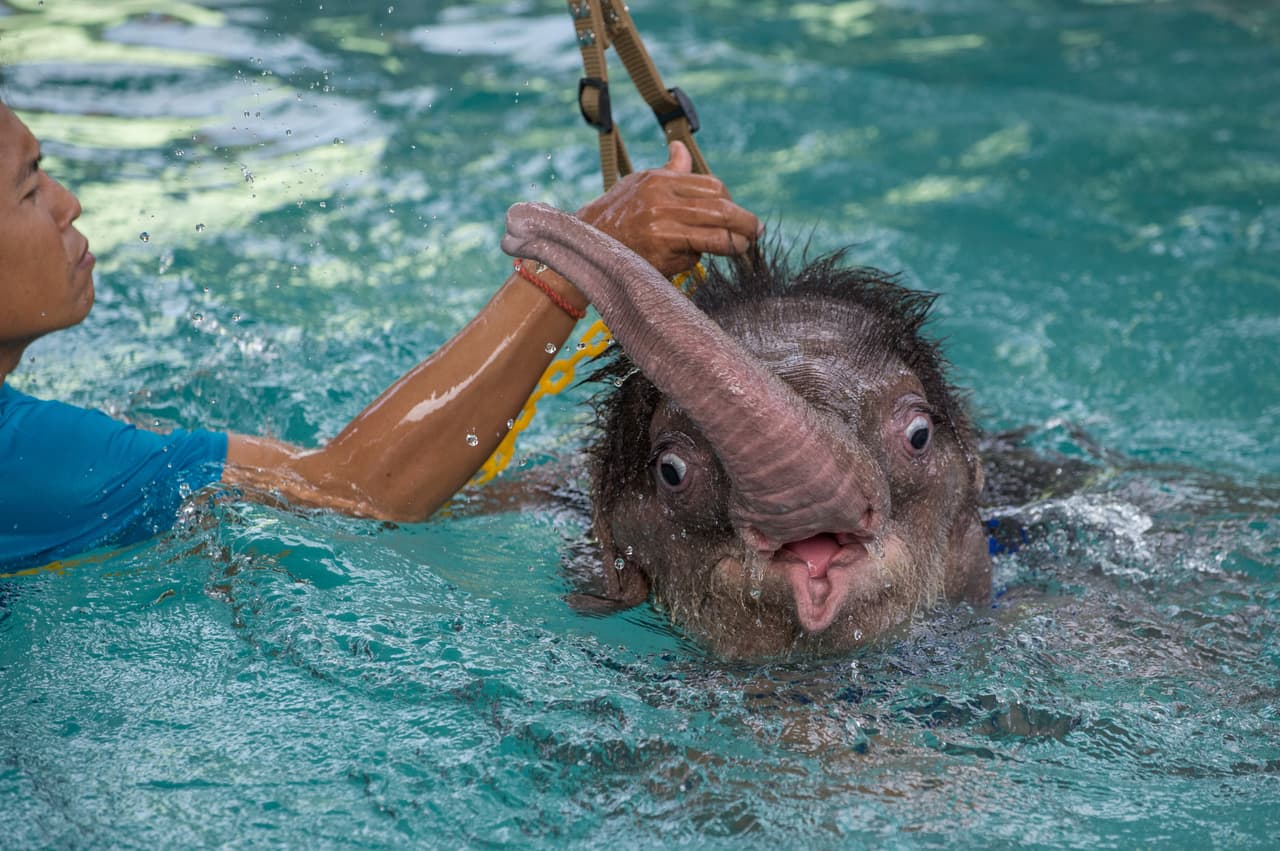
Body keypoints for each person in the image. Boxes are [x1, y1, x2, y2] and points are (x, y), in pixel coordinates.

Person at [0, 99, 761, 570]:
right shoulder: (21, 456)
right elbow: (354, 493)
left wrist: (525, 495)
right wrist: (581, 254)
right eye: (31, 186)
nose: (67, 203)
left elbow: (299, 485)